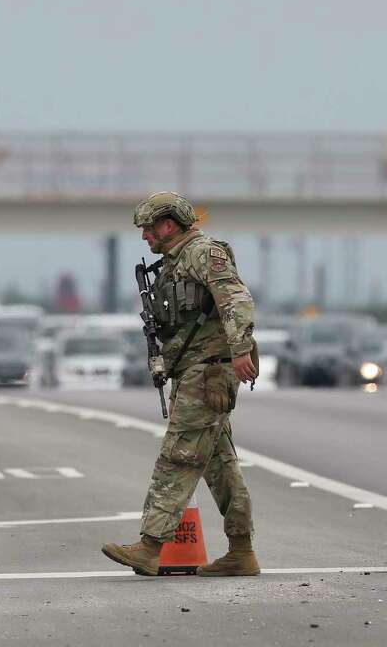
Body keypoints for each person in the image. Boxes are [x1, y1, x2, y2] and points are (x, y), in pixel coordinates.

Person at [101, 192, 261, 577]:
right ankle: (241, 551)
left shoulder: (204, 253)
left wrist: (241, 349)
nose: (144, 237)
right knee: (220, 465)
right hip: (195, 370)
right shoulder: (174, 263)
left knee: (178, 456)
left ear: (168, 225)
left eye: (148, 229)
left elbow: (235, 301)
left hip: (209, 371)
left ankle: (150, 546)